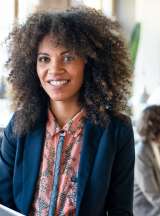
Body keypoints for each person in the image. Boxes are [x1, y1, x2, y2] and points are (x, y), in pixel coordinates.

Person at [0, 7, 135, 216]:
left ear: (88, 62)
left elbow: (121, 210)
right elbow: (3, 204)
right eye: (44, 58)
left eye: (68, 57)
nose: (54, 69)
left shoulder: (116, 130)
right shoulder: (19, 125)